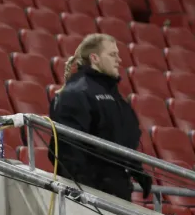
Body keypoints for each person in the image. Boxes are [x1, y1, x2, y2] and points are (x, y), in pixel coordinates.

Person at [49, 34, 152, 201]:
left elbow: (122, 139)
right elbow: (67, 150)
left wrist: (136, 169)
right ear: (94, 58)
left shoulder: (115, 97)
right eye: (112, 55)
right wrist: (86, 191)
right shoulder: (76, 93)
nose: (119, 60)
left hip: (117, 191)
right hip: (92, 195)